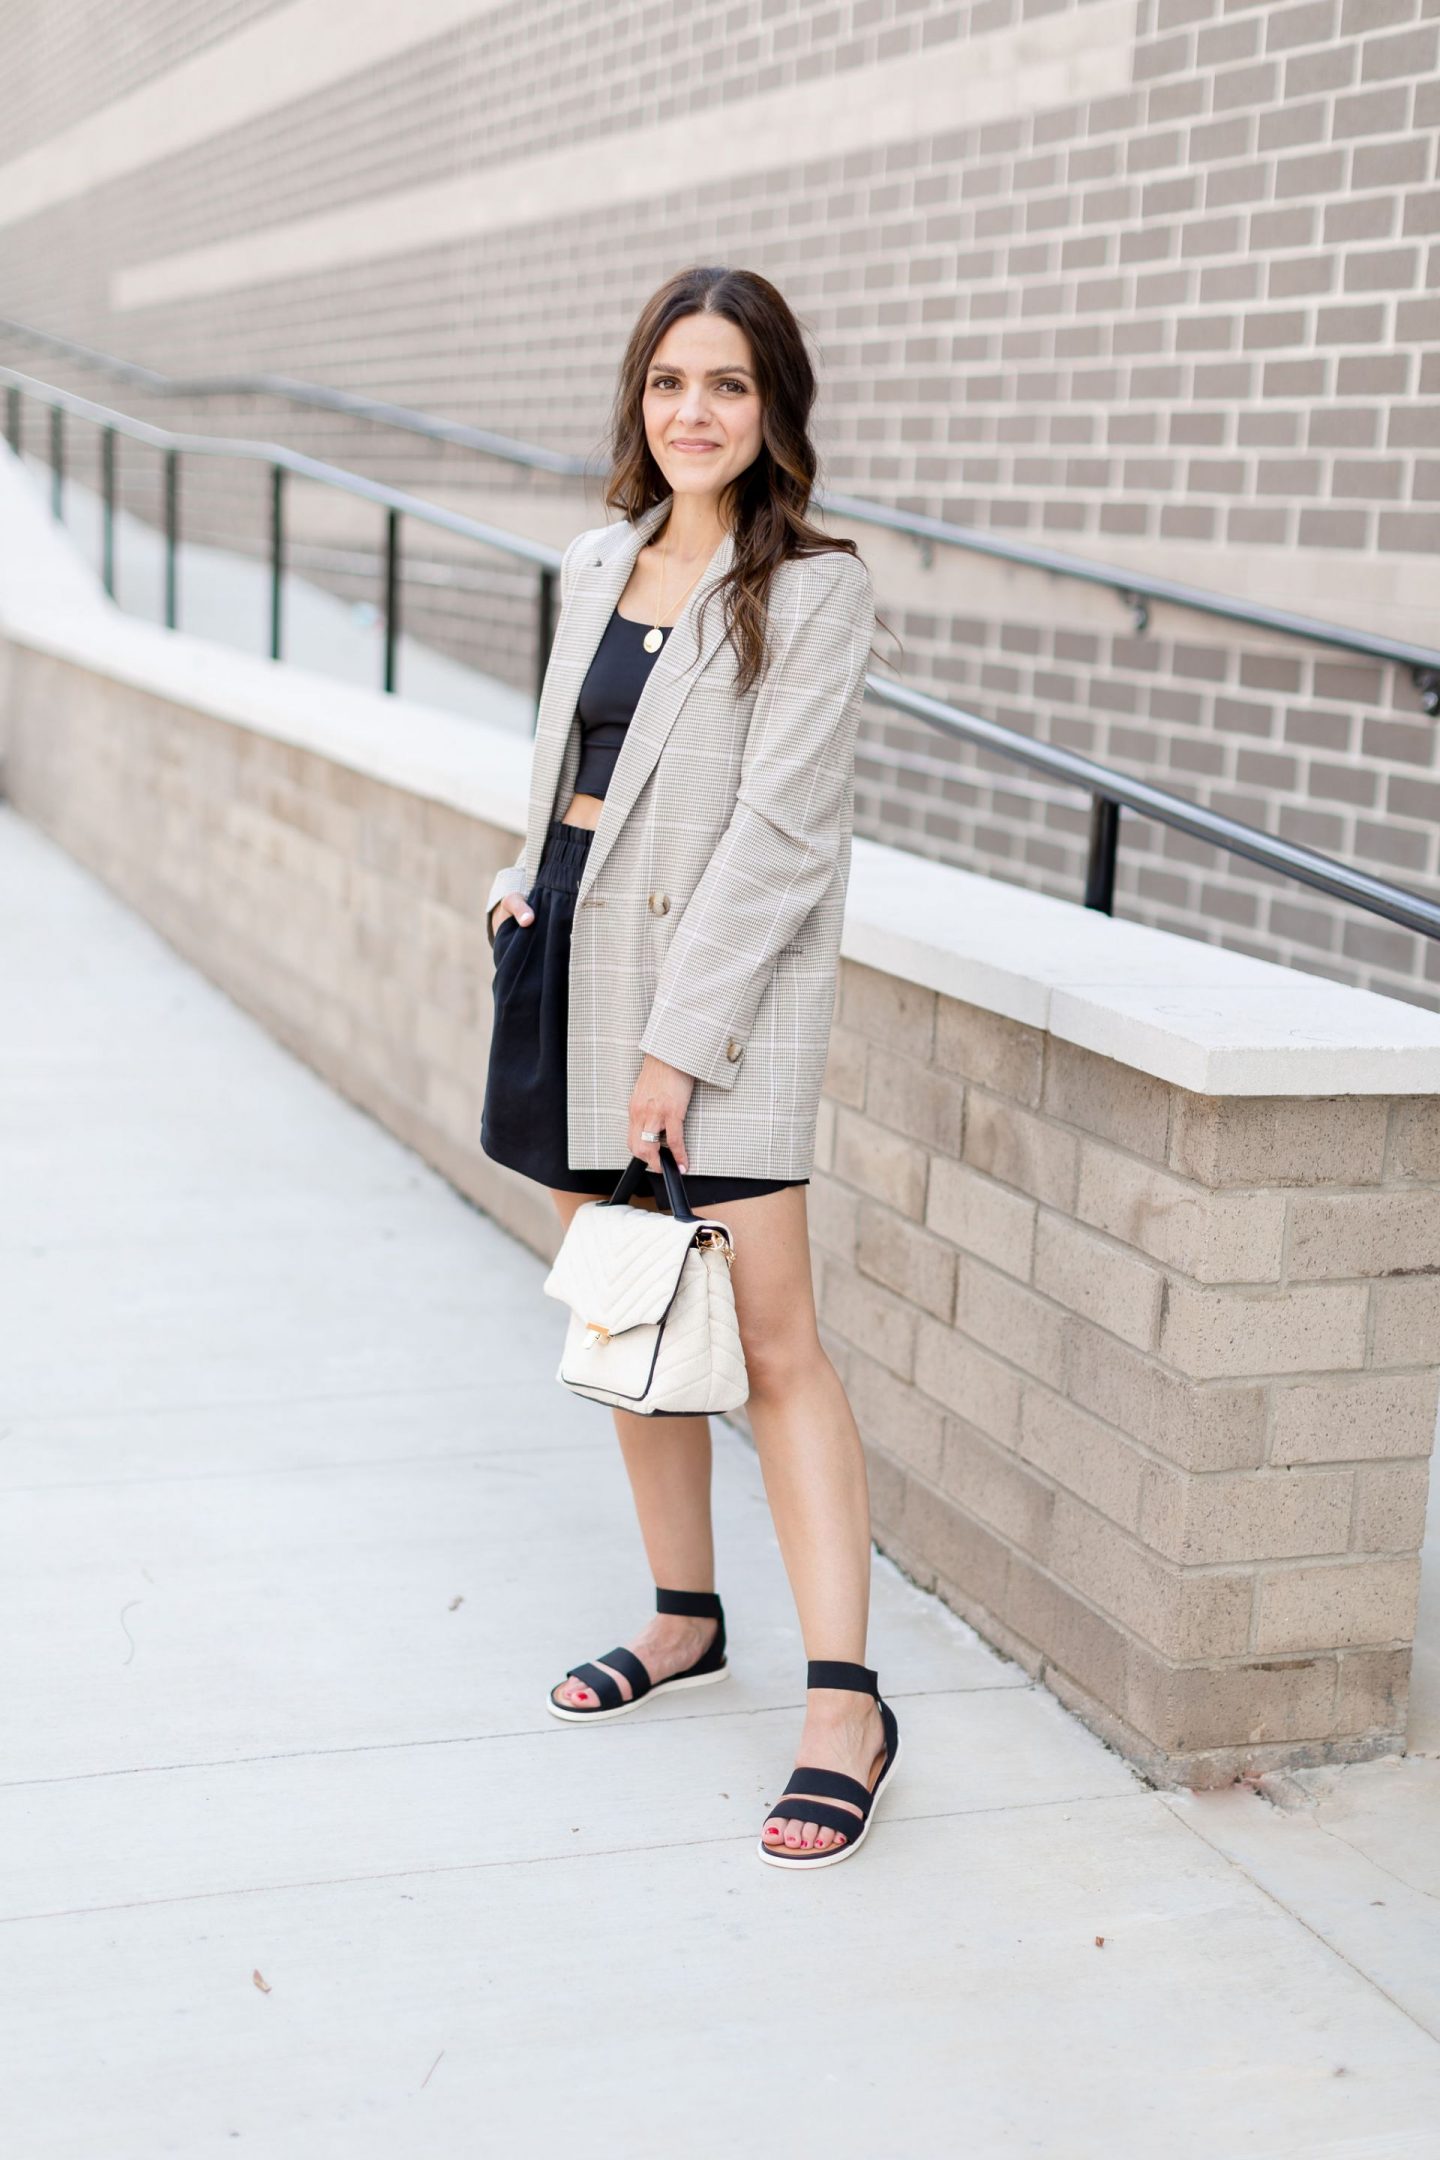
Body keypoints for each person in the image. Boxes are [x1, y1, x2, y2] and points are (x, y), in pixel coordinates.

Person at [479, 265, 899, 1869]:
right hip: (572, 972)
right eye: (669, 384)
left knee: (775, 1343)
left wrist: (676, 1048)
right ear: (637, 402)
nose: (694, 413)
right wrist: (523, 878)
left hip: (720, 1004)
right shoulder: (598, 557)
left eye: (726, 385)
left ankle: (845, 1704)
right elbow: (569, 765)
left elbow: (783, 838)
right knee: (622, 1302)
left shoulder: (813, 589)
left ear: (774, 406)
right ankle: (681, 1618)